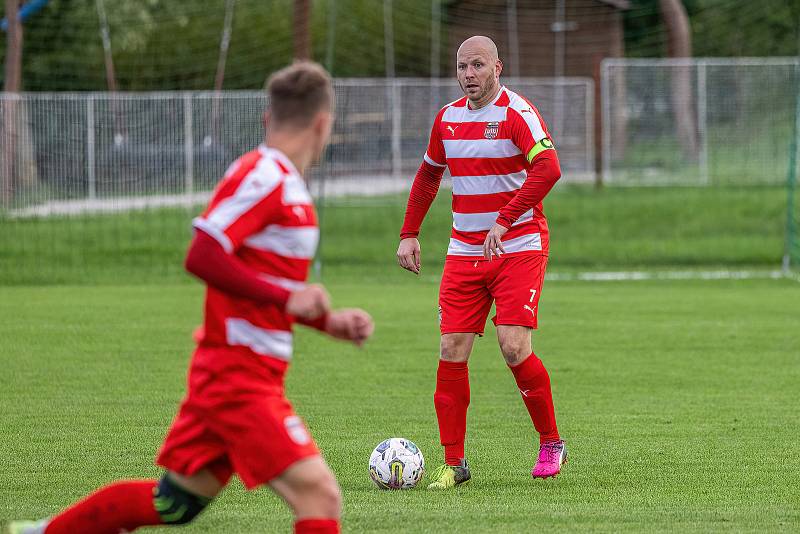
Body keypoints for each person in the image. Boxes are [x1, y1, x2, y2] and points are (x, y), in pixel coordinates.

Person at [7, 61, 373, 534]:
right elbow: (202, 253)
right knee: (319, 493)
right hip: (237, 378)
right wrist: (288, 299)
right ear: (324, 124)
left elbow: (262, 286)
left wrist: (328, 322)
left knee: (174, 503)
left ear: (268, 116)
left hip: (245, 371)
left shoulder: (287, 185)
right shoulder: (264, 176)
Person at [396, 36, 565, 489]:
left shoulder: (517, 114)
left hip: (518, 247)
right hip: (464, 253)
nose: (468, 74)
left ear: (497, 68)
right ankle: (454, 464)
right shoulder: (447, 120)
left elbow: (549, 168)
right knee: (451, 350)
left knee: (512, 346)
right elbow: (429, 175)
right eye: (462, 66)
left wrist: (505, 221)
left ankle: (550, 441)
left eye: (477, 65)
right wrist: (409, 233)